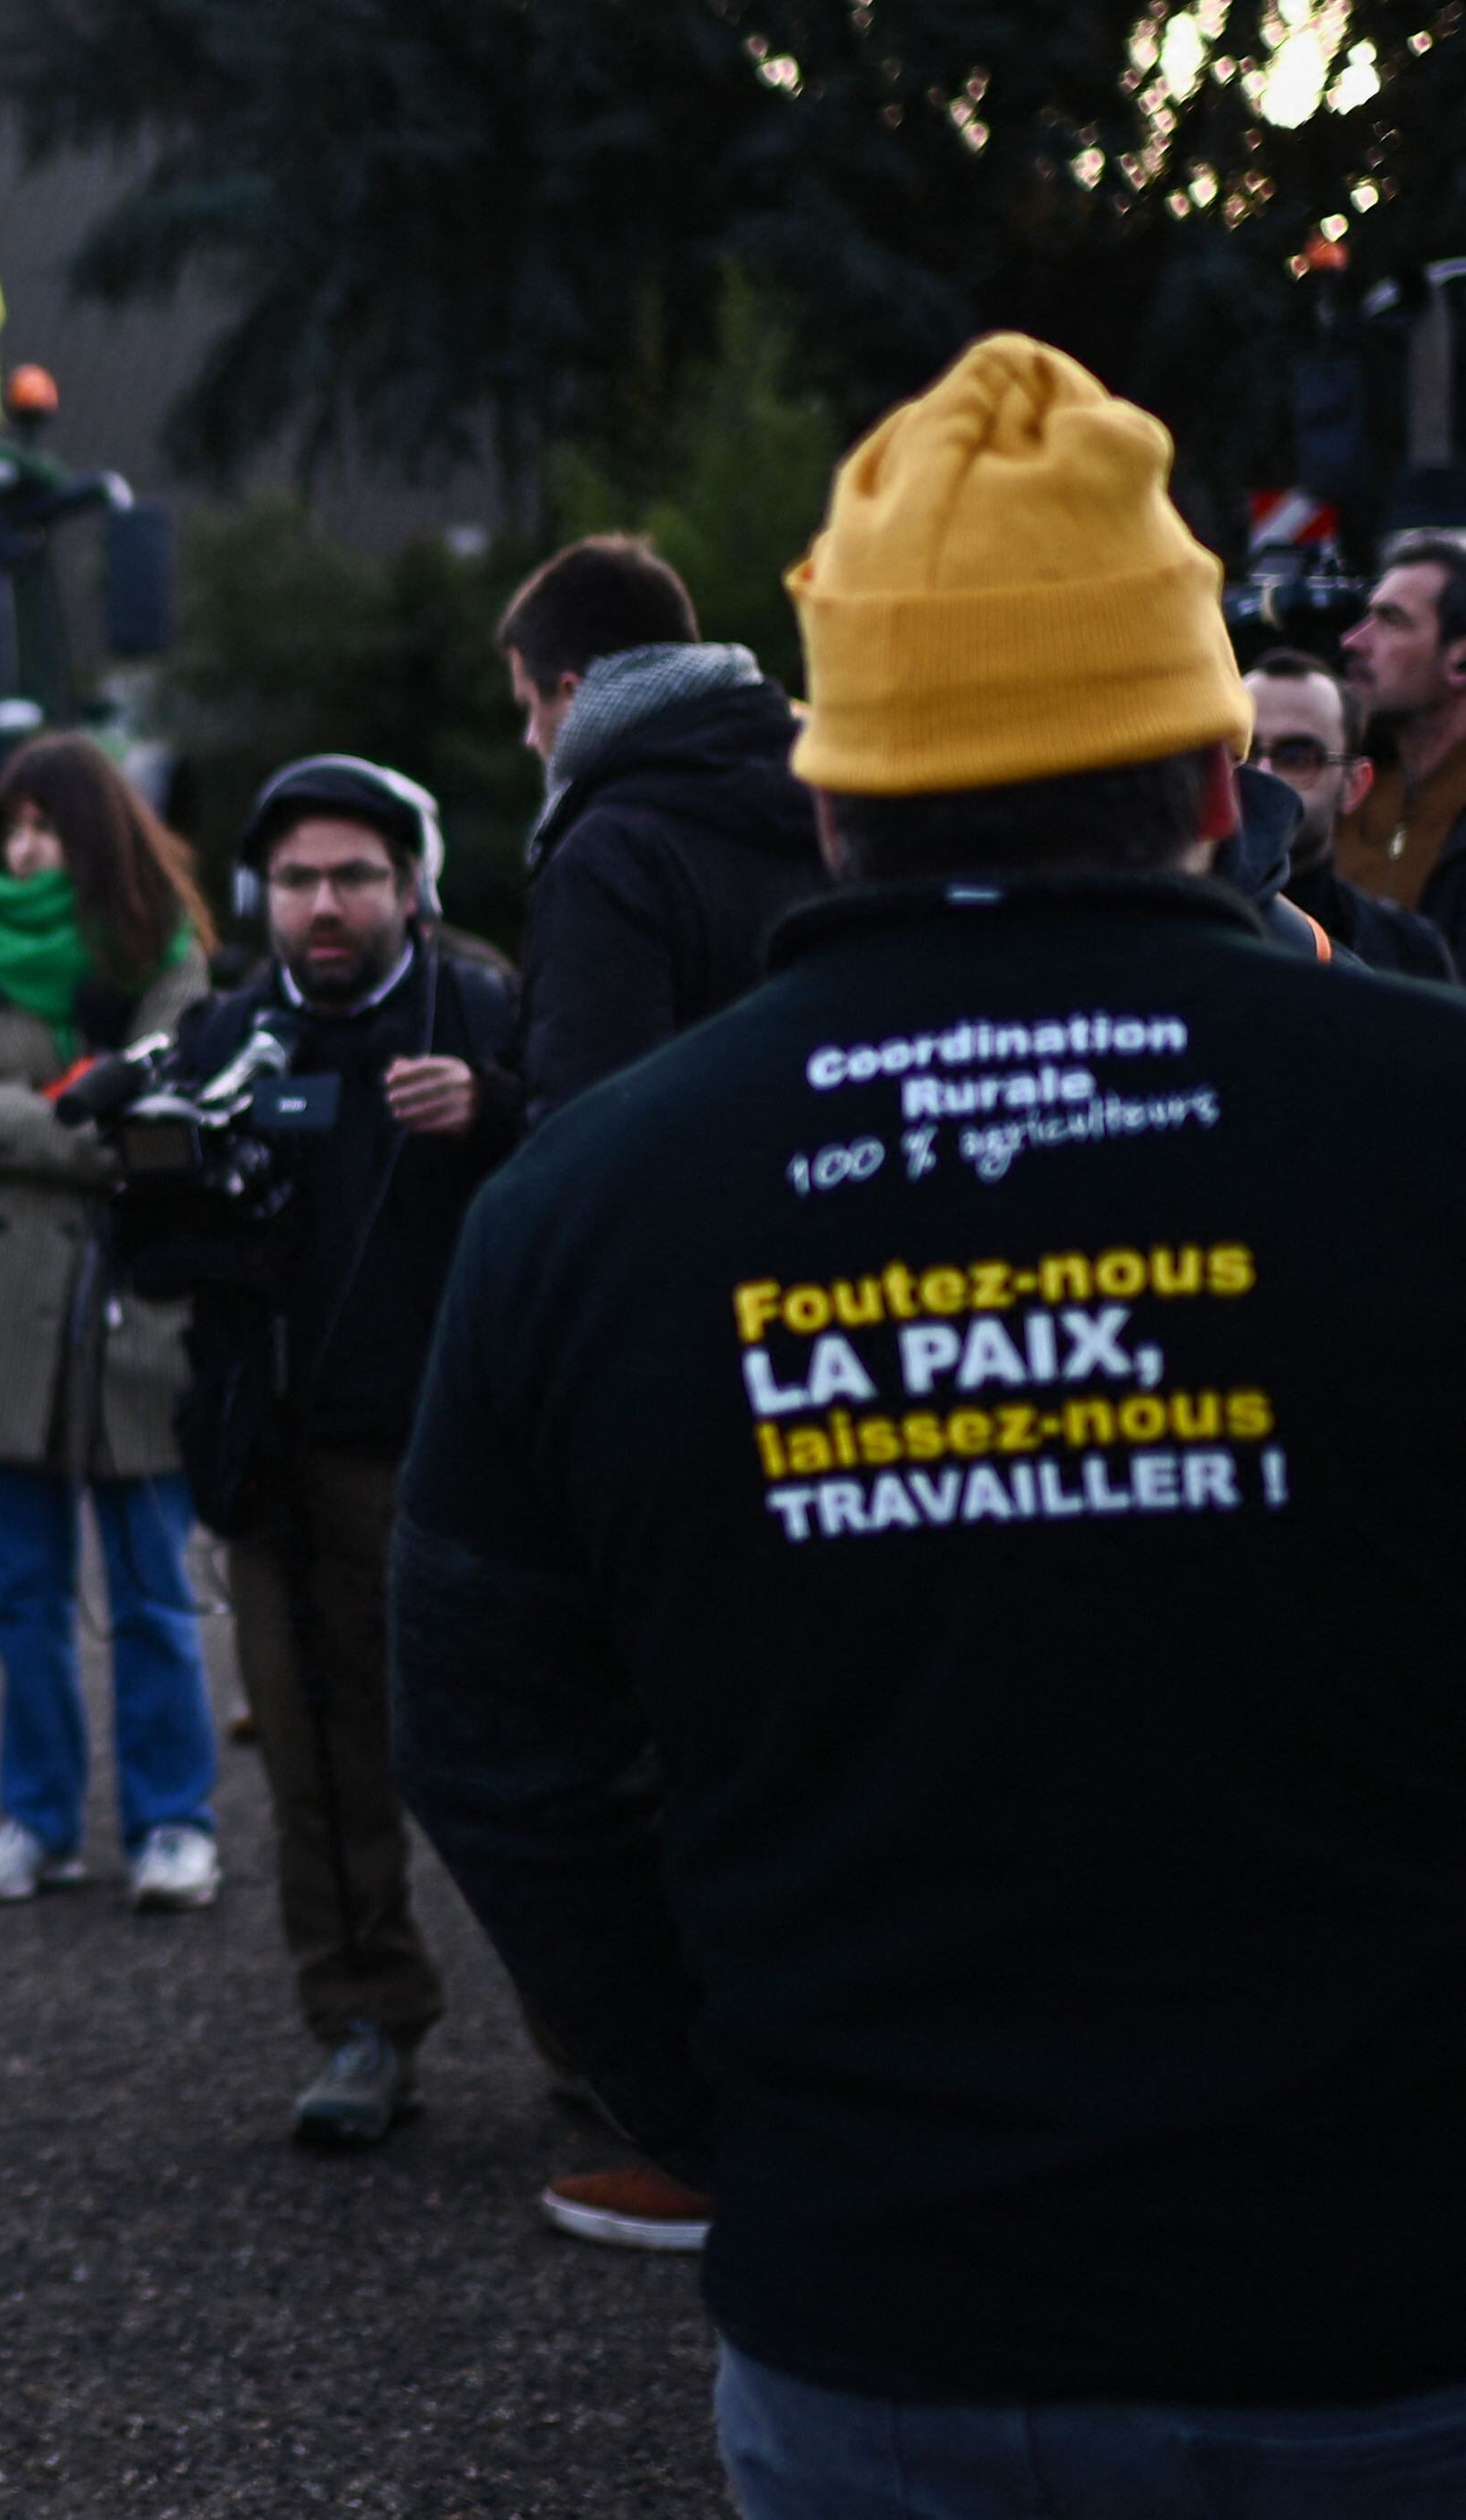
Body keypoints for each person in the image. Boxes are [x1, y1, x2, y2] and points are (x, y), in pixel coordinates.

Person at [397, 332, 1466, 2515]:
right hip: (1378, 2313)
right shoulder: (1423, 1122)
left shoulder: (588, 1207)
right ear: (1207, 784)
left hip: (884, 2315)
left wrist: (739, 2111)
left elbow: (498, 1749)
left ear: (832, 791)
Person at [109, 756, 517, 2155]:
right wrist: (155, 1164)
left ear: (412, 885)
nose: (324, 905)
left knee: (525, 1757)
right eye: (295, 880)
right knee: (316, 1764)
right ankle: (363, 2022)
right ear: (257, 894)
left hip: (466, 1461)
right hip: (279, 1457)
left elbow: (591, 1172)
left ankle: (600, 2056)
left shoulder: (483, 1009)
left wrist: (495, 1110)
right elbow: (153, 1260)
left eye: (353, 876)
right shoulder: (220, 1032)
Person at [0, 734, 223, 1914]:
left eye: (44, 827)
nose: (23, 848)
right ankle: (35, 1818)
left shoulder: (165, 954)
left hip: (125, 1304)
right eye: (12, 827)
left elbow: (143, 1131)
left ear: (94, 835)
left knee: (150, 1588)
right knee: (21, 1595)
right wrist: (47, 1112)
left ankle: (173, 1821)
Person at [496, 536, 829, 1111]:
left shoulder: (608, 854)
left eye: (531, 706)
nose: (529, 738)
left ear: (573, 693)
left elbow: (592, 1118)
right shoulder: (839, 801)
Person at [1247, 648, 1456, 978]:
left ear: (1354, 785)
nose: (1263, 774)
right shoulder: (1165, 924)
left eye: (1297, 756)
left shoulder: (1407, 951)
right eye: (1243, 751)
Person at [1337, 529, 1466, 943]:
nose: (1354, 642)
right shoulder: (1336, 775)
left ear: (1460, 662)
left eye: (1392, 621)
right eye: (1366, 617)